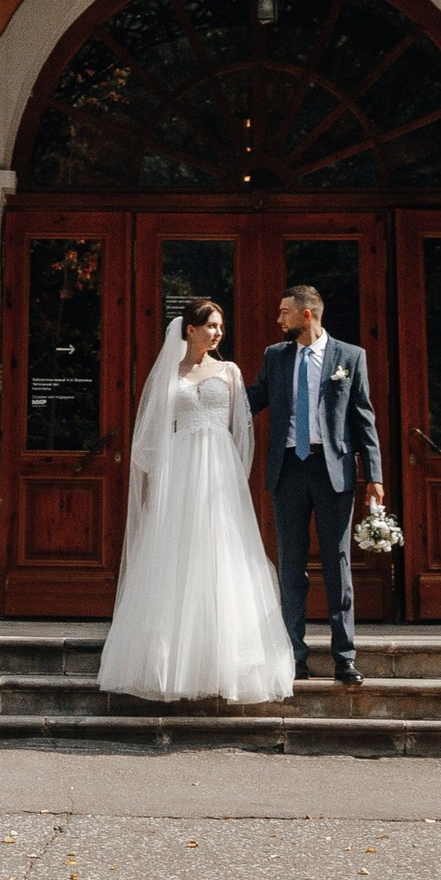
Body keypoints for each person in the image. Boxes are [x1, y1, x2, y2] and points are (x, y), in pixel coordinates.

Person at [97, 299, 297, 706]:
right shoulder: (169, 374)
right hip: (182, 471)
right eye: (210, 326)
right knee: (179, 559)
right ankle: (171, 662)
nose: (218, 333)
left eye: (221, 326)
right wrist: (163, 477)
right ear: (189, 329)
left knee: (224, 557)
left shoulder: (230, 373)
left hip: (220, 471)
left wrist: (233, 476)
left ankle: (227, 662)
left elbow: (242, 430)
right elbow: (149, 438)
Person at [247, 284, 389, 684]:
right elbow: (255, 398)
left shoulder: (350, 356)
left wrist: (374, 475)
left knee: (336, 564)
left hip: (334, 472)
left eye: (284, 313)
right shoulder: (274, 357)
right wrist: (209, 389)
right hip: (288, 469)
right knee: (291, 567)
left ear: (306, 315)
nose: (279, 320)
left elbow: (364, 418)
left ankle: (344, 657)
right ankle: (294, 656)